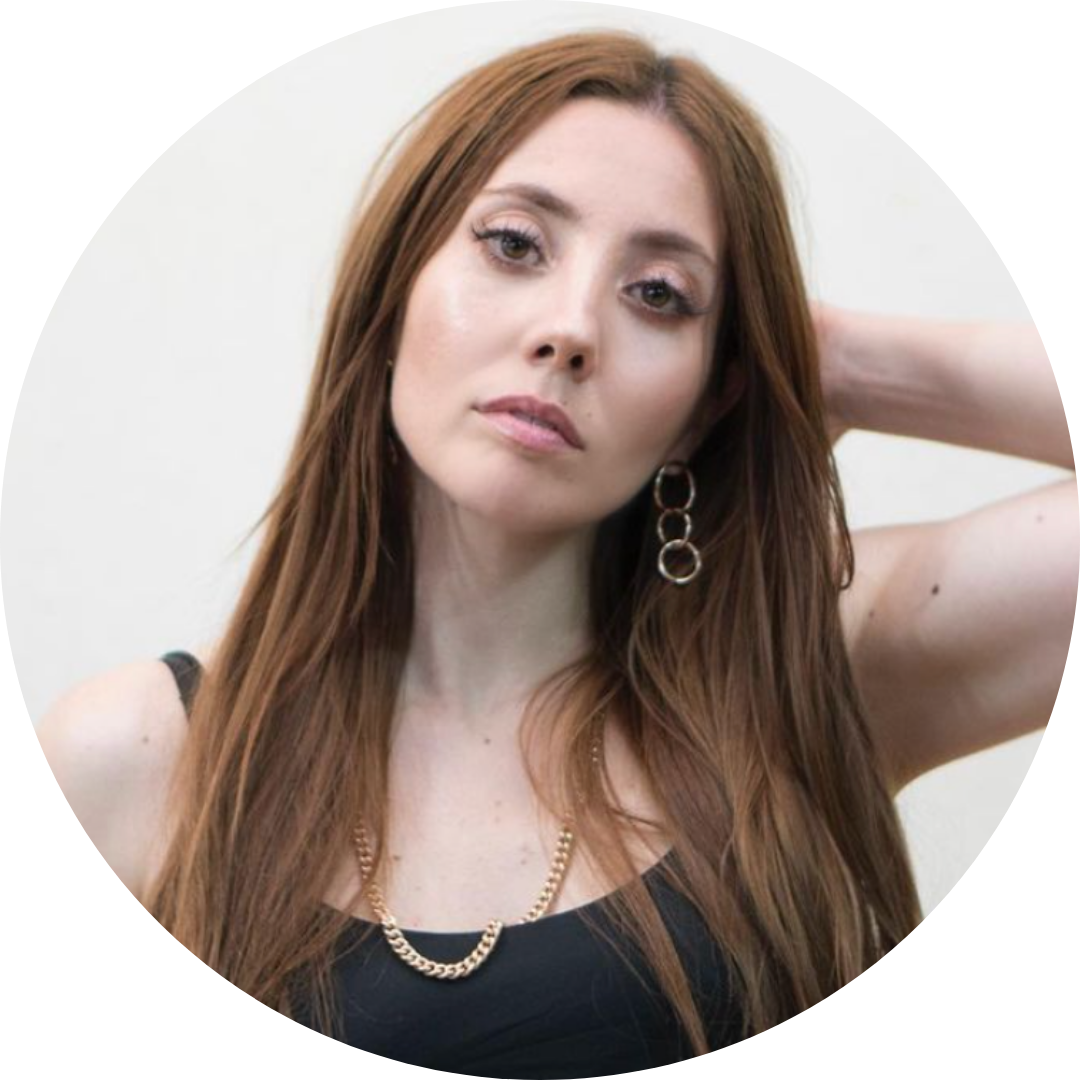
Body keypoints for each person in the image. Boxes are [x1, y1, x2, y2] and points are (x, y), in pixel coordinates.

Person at [38, 28, 1072, 1066]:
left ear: (707, 402)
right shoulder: (137, 758)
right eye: (515, 244)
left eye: (659, 294)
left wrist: (838, 363)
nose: (571, 328)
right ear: (394, 290)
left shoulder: (808, 669)